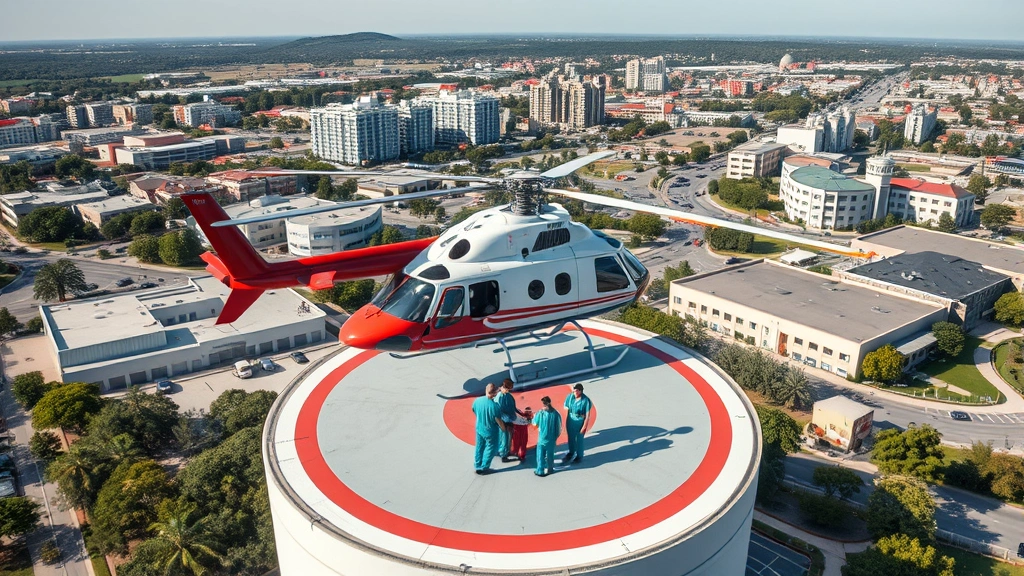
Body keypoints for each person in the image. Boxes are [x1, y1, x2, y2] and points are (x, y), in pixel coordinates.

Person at [472, 383, 502, 474]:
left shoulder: (477, 401)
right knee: (491, 448)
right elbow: (498, 420)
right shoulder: (495, 406)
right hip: (490, 431)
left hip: (479, 428)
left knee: (479, 447)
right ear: (494, 394)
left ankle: (477, 465)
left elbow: (474, 410)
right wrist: (504, 428)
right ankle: (484, 467)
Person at [563, 383, 593, 464]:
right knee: (571, 437)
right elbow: (566, 407)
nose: (575, 392)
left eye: (577, 390)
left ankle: (579, 456)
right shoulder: (570, 397)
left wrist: (584, 426)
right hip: (570, 419)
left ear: (581, 391)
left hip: (580, 421)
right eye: (574, 390)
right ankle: (571, 452)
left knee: (579, 439)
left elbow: (587, 415)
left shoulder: (585, 400)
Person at [532, 397, 562, 477]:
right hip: (551, 439)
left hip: (542, 438)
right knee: (550, 454)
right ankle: (550, 469)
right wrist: (555, 437)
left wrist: (534, 416)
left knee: (540, 455)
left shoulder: (541, 413)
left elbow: (534, 423)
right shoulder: (556, 414)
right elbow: (559, 428)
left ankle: (540, 470)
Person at [496, 379, 524, 462]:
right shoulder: (499, 397)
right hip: (504, 421)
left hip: (510, 420)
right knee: (504, 437)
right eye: (507, 389)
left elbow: (513, 407)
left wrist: (521, 413)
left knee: (509, 438)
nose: (507, 391)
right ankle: (503, 455)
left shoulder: (508, 396)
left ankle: (507, 451)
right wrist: (506, 423)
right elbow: (499, 411)